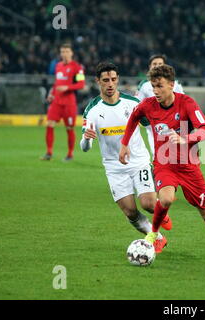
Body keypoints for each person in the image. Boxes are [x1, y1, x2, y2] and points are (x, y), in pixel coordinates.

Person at [119, 64, 205, 262]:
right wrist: (124, 144)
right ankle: (153, 234)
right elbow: (133, 117)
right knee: (165, 199)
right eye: (153, 86)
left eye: (160, 86)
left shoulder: (187, 103)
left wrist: (187, 139)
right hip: (164, 164)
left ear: (172, 85)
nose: (156, 91)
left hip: (189, 165)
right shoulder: (148, 105)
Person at [80, 62, 170, 253]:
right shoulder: (92, 110)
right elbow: (85, 147)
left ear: (118, 79)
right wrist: (87, 140)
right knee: (129, 211)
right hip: (113, 167)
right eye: (105, 80)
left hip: (138, 161)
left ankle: (160, 213)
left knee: (148, 204)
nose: (110, 84)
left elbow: (150, 127)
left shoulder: (133, 103)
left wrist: (158, 150)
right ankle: (158, 238)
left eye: (113, 79)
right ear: (98, 82)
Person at [41, 43, 85, 161]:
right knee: (49, 124)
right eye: (62, 52)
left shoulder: (77, 67)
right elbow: (57, 83)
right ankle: (49, 152)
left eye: (66, 51)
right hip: (56, 102)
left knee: (69, 128)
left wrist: (67, 87)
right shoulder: (58, 66)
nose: (64, 54)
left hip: (69, 103)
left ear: (71, 53)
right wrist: (51, 93)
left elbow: (81, 84)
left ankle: (70, 154)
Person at [136, 54, 184, 156]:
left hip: (173, 125)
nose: (157, 66)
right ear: (149, 67)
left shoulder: (175, 84)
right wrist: (146, 122)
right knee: (157, 154)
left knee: (176, 155)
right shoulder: (144, 85)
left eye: (160, 64)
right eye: (154, 64)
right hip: (154, 126)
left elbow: (183, 104)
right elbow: (137, 106)